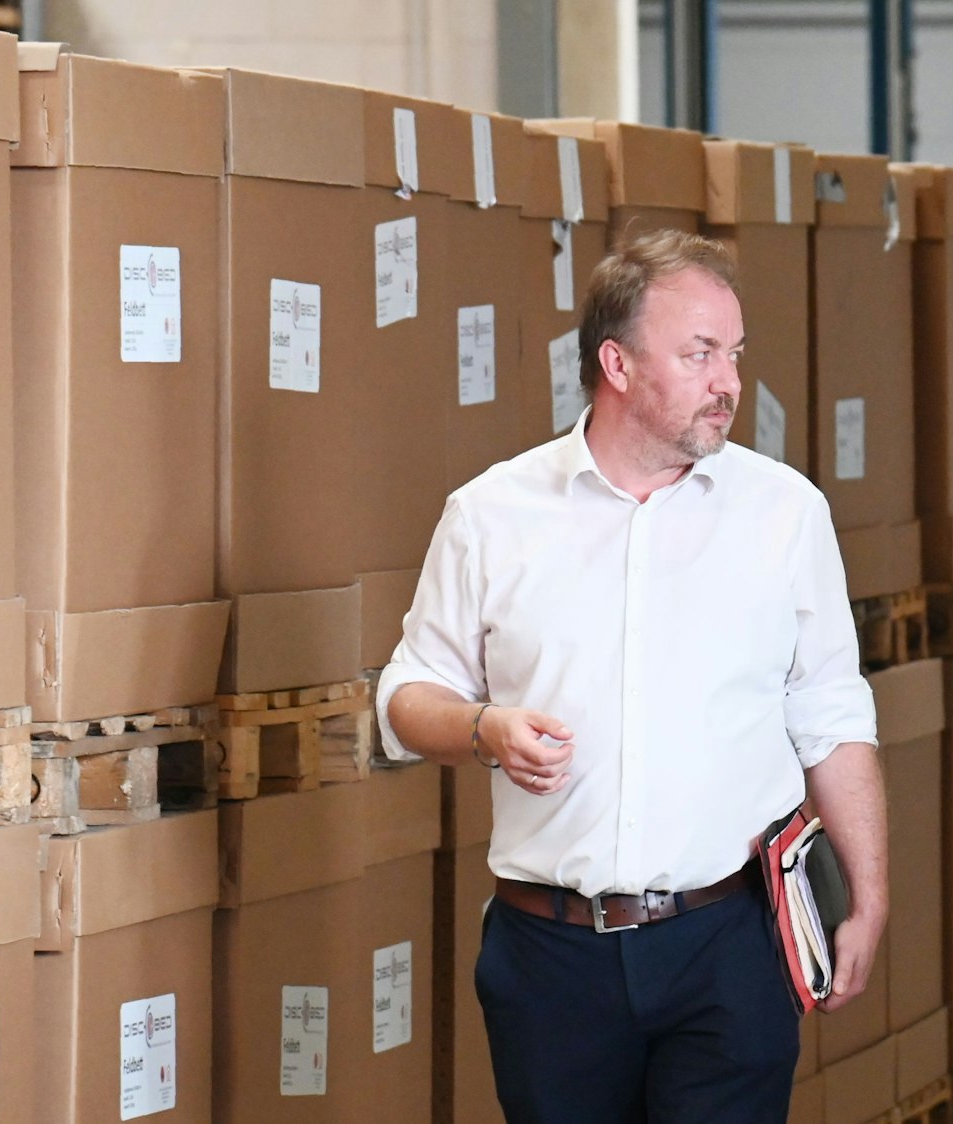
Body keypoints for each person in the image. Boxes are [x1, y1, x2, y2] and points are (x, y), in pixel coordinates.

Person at [377, 229, 888, 1123]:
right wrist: (483, 728)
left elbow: (832, 718)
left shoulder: (784, 513)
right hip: (551, 956)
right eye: (700, 354)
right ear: (615, 363)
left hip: (731, 943)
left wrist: (869, 896)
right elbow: (406, 697)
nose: (728, 381)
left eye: (734, 354)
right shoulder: (492, 514)